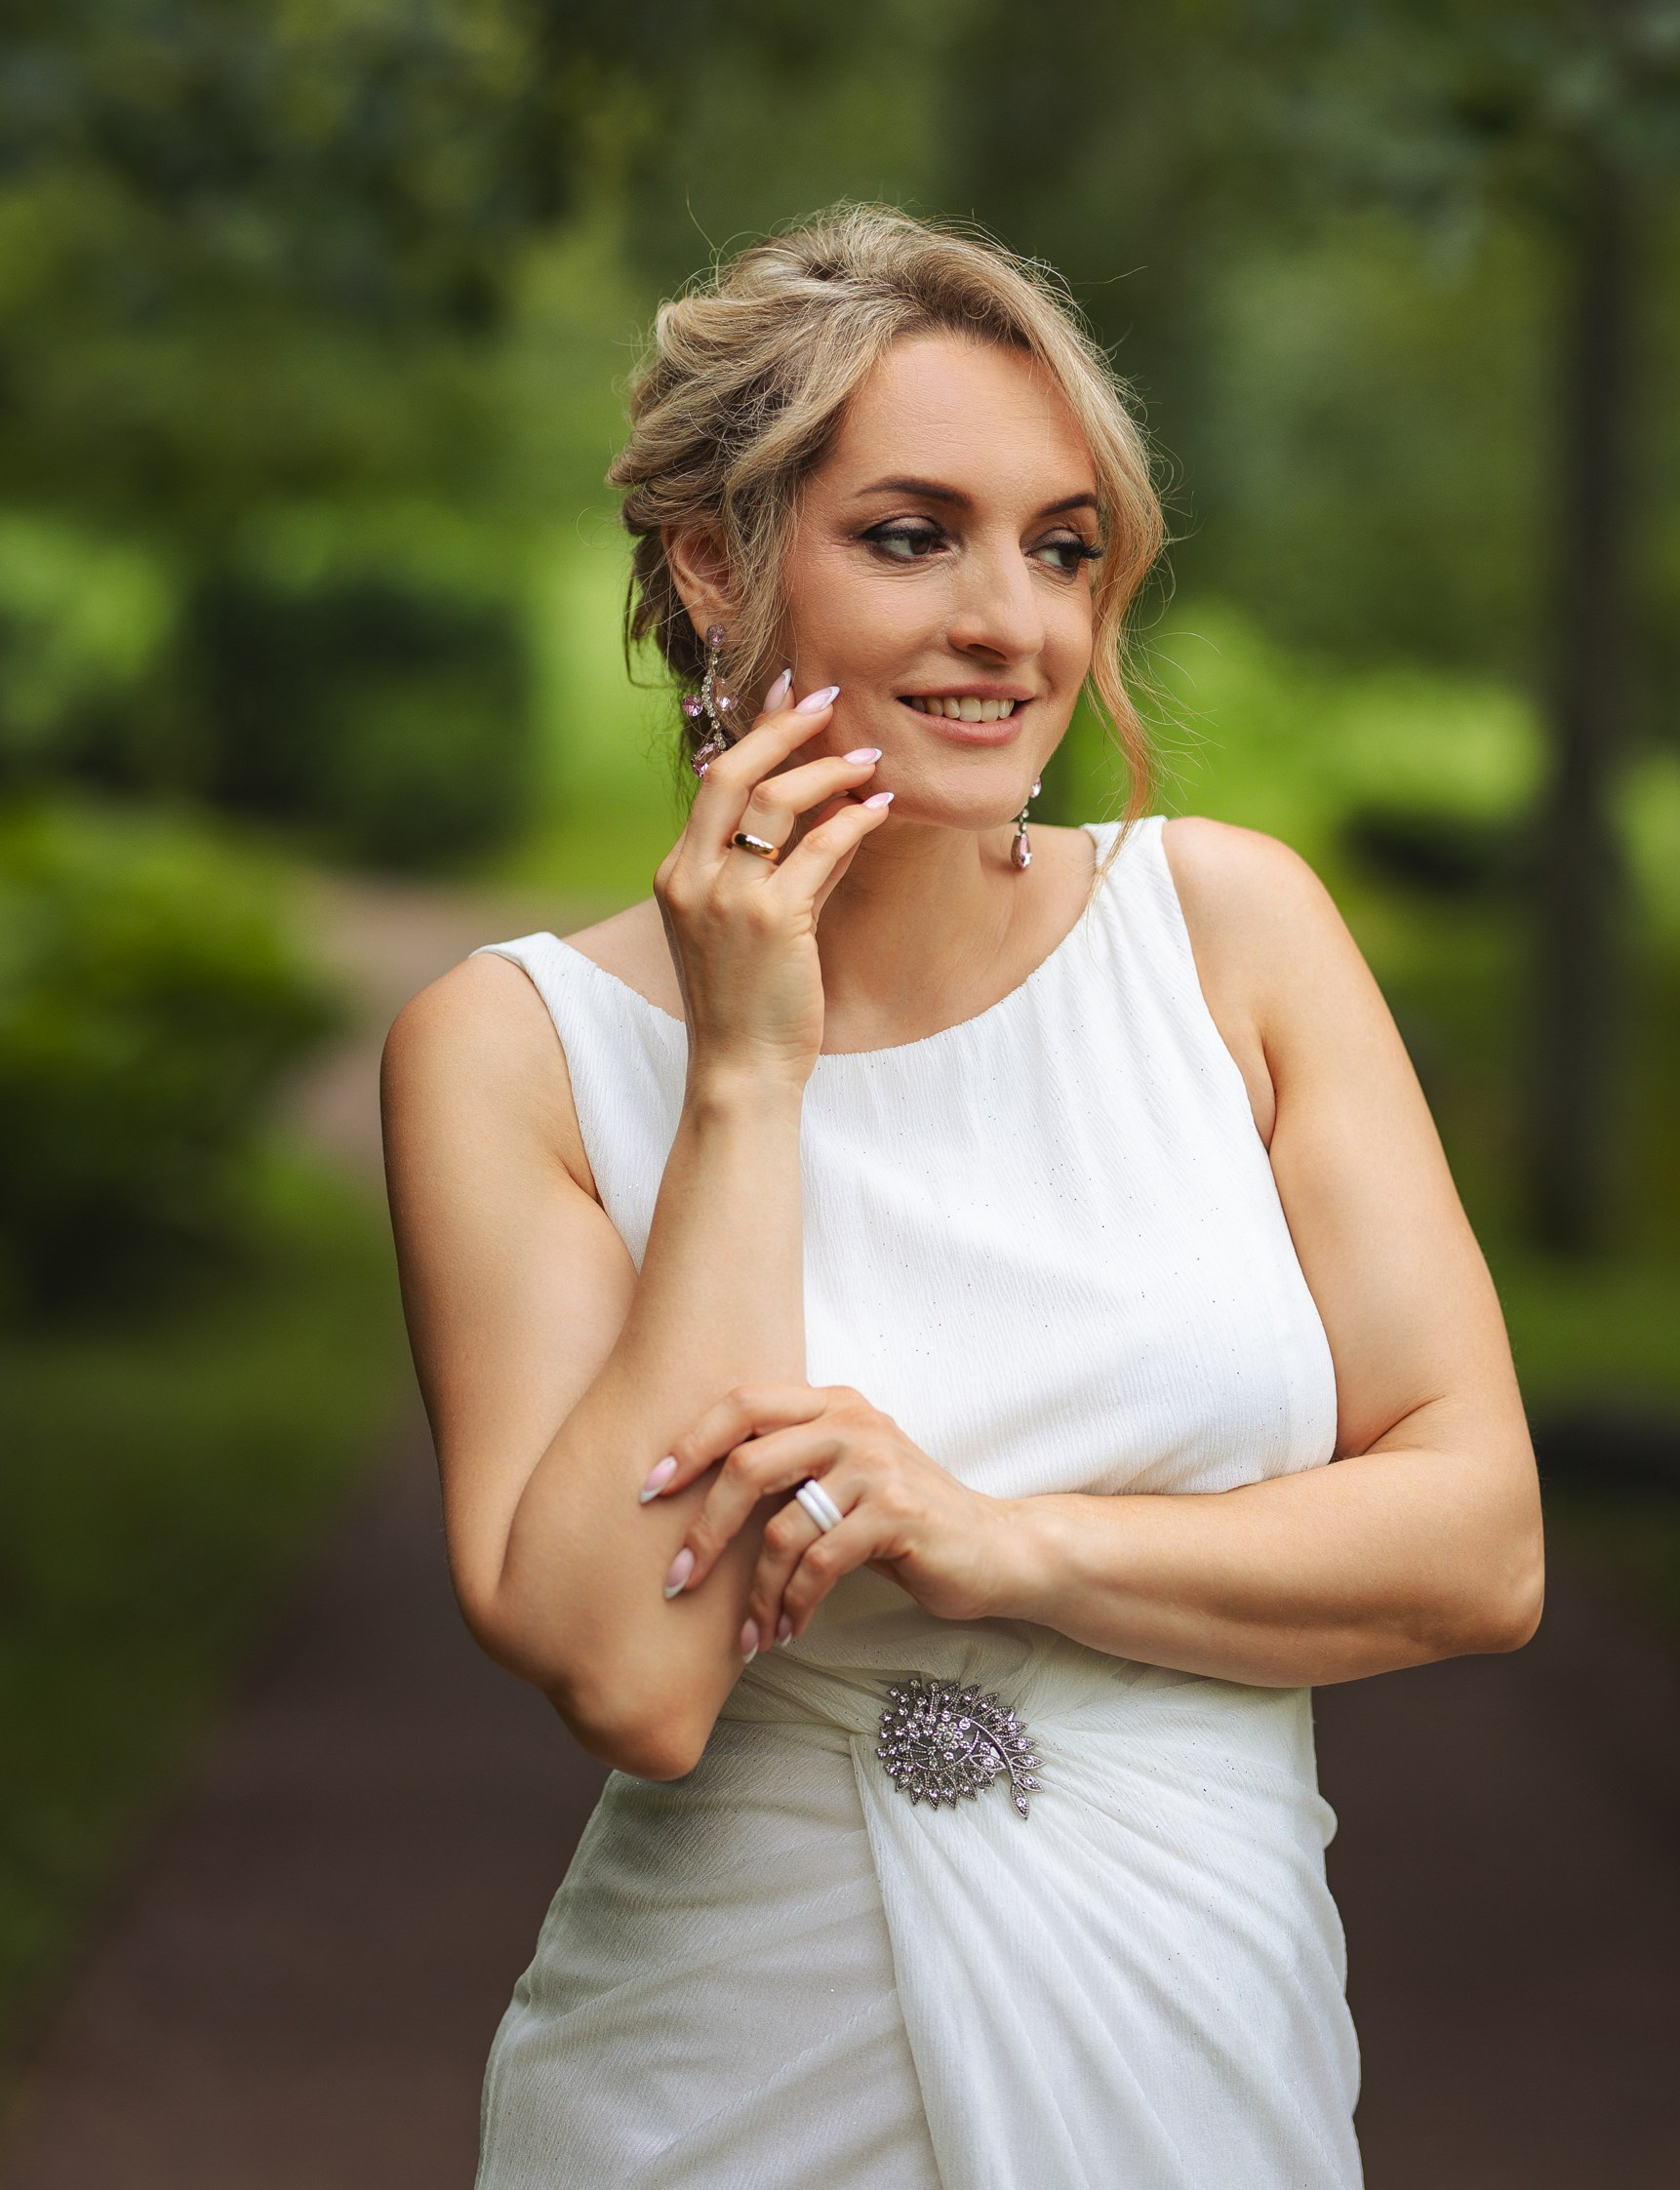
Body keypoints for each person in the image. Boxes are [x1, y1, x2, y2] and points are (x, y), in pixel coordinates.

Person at [381, 205, 1544, 2190]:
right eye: (912, 535)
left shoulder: (1228, 933)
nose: (1011, 620)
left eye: (1062, 544)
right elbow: (635, 1680)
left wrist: (1007, 1542)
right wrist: (749, 1073)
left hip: (1197, 2032)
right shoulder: (512, 1053)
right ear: (711, 559)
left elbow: (1478, 1542)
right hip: (723, 2084)